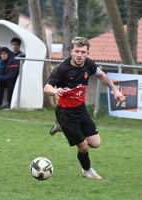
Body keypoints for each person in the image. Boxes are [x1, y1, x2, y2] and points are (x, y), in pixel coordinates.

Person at [43, 37, 125, 179]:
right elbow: (47, 87)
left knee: (95, 143)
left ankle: (60, 126)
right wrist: (55, 91)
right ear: (71, 51)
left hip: (80, 109)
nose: (80, 55)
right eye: (77, 51)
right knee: (84, 146)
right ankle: (87, 170)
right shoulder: (62, 68)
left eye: (83, 52)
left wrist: (115, 90)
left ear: (87, 52)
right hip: (65, 113)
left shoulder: (89, 64)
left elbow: (102, 75)